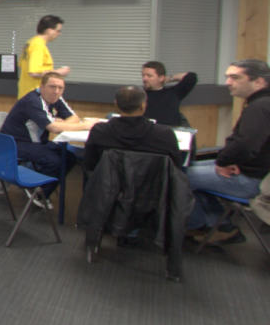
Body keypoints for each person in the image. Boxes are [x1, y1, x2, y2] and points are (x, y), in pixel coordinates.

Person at [186, 59, 270, 244]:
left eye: (235, 77)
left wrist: (223, 162)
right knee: (190, 168)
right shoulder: (261, 103)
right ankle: (220, 226)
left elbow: (245, 145)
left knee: (178, 176)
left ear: (259, 81)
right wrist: (226, 160)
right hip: (253, 171)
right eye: (227, 77)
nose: (228, 83)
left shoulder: (260, 107)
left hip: (251, 180)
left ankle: (197, 225)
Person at [0, 71, 95, 194]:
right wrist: (85, 125)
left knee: (70, 157)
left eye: (60, 88)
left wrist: (60, 124)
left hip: (36, 142)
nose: (56, 91)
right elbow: (53, 128)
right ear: (42, 87)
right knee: (55, 161)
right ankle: (39, 194)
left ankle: (39, 188)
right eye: (52, 87)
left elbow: (74, 118)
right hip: (16, 143)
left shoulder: (55, 97)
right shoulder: (33, 101)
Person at [83, 85, 183, 173]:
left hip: (109, 187)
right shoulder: (164, 135)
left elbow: (90, 165)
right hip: (153, 188)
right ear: (143, 105)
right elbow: (175, 169)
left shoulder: (100, 132)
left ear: (116, 105)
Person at [17, 15, 70, 99]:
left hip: (26, 93)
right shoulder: (38, 46)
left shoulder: (31, 42)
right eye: (58, 31)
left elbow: (22, 65)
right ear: (49, 30)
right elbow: (34, 72)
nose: (59, 34)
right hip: (34, 95)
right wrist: (58, 72)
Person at [141, 62, 197, 127]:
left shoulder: (173, 93)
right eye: (143, 75)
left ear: (161, 78)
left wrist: (169, 78)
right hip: (148, 130)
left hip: (169, 131)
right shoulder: (139, 95)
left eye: (149, 76)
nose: (144, 79)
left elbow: (191, 77)